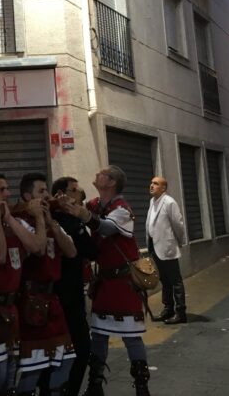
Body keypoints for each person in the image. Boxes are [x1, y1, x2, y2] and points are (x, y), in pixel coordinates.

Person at [61, 166, 151, 396]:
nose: (96, 174)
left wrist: (83, 215)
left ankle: (142, 387)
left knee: (131, 335)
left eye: (102, 173)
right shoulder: (94, 205)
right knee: (99, 335)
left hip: (123, 282)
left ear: (110, 182)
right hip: (105, 282)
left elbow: (108, 227)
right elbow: (81, 207)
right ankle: (95, 385)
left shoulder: (122, 209)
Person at [0, 173, 46, 396]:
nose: (8, 193)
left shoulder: (16, 221)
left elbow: (38, 247)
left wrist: (14, 219)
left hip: (10, 309)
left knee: (10, 374)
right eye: (1, 190)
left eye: (7, 189)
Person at [14, 173, 77, 396]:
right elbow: (38, 248)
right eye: (41, 192)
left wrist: (51, 222)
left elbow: (71, 251)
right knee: (34, 366)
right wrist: (40, 220)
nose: (47, 196)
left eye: (46, 191)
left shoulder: (51, 222)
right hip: (31, 302)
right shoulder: (21, 222)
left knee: (66, 359)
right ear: (27, 196)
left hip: (53, 300)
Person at [50, 177, 97, 396]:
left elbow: (92, 251)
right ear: (61, 194)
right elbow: (89, 250)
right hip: (62, 296)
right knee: (77, 350)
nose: (79, 192)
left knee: (77, 351)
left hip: (73, 294)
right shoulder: (59, 220)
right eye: (74, 190)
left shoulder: (72, 220)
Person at [147, 177, 189, 324]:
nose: (152, 186)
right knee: (164, 280)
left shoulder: (169, 202)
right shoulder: (152, 202)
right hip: (155, 248)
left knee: (175, 280)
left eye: (156, 184)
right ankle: (168, 309)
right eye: (151, 183)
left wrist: (180, 241)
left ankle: (181, 312)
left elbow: (178, 224)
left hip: (167, 247)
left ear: (164, 188)